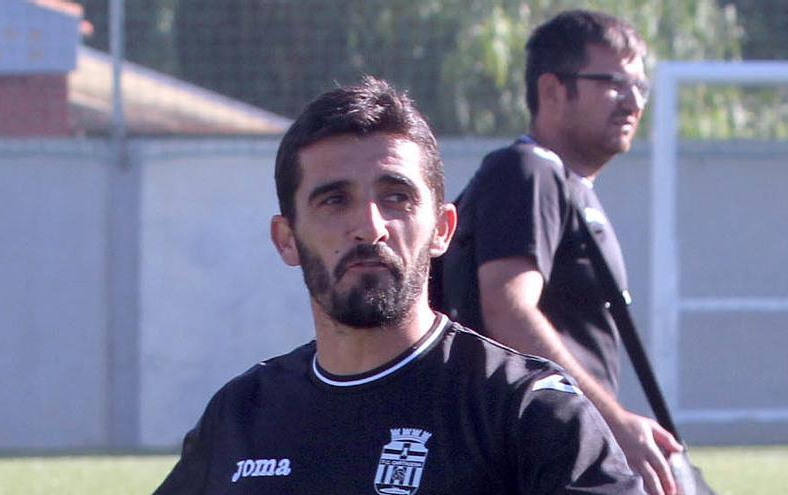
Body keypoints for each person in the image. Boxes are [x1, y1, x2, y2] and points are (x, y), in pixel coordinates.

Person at [154, 76, 642, 494]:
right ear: (287, 240)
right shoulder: (240, 417)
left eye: (396, 197)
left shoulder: (526, 411)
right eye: (333, 200)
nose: (370, 226)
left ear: (442, 229)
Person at [434, 10, 682, 495]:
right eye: (612, 82)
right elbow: (508, 308)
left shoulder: (563, 183)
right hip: (535, 457)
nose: (633, 100)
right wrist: (611, 423)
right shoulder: (528, 170)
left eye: (640, 86)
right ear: (552, 91)